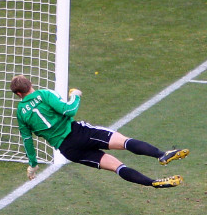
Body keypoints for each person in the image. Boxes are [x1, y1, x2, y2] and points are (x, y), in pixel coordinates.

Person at [10, 74, 189, 188]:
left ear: (18, 94)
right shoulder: (44, 95)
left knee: (117, 167)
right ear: (30, 85)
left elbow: (28, 141)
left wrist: (33, 166)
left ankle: (153, 183)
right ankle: (161, 154)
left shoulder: (20, 113)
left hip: (68, 149)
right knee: (125, 142)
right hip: (79, 132)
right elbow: (69, 110)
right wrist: (75, 95)